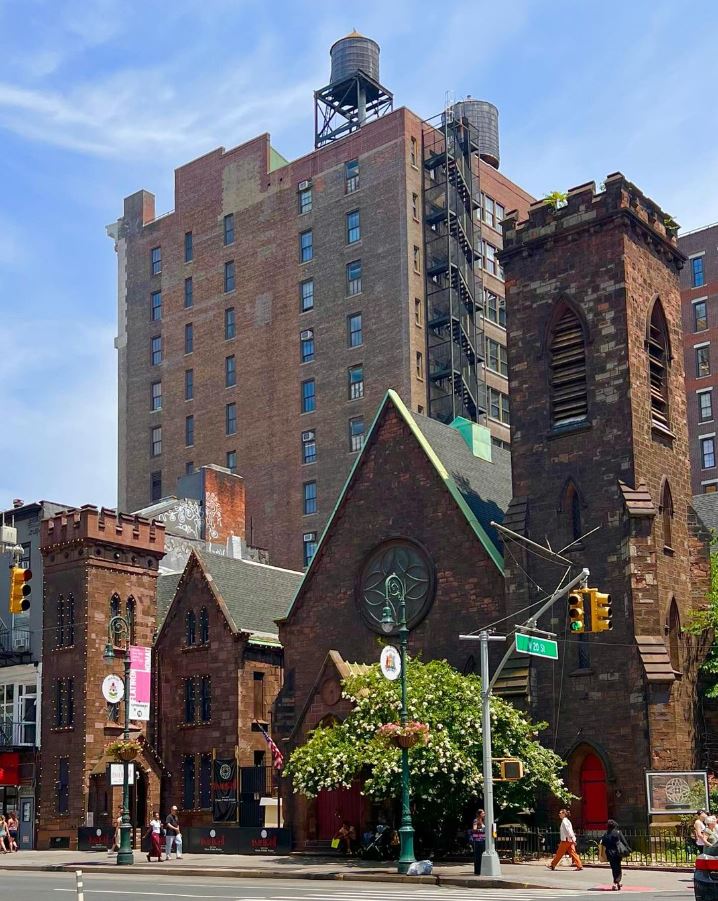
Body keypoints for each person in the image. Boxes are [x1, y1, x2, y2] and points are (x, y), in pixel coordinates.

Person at [600, 818, 631, 891]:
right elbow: (624, 841)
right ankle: (616, 882)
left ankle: (616, 882)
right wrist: (628, 849)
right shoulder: (618, 832)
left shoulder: (606, 834)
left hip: (609, 852)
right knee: (618, 867)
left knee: (613, 867)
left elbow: (603, 843)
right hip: (617, 852)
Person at [471, 809, 486, 875]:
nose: (484, 814)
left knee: (482, 855)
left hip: (483, 839)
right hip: (478, 840)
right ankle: (477, 871)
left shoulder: (483, 821)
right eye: (483, 813)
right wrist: (481, 830)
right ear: (479, 814)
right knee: (478, 856)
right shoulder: (476, 820)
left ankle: (481, 870)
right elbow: (474, 829)